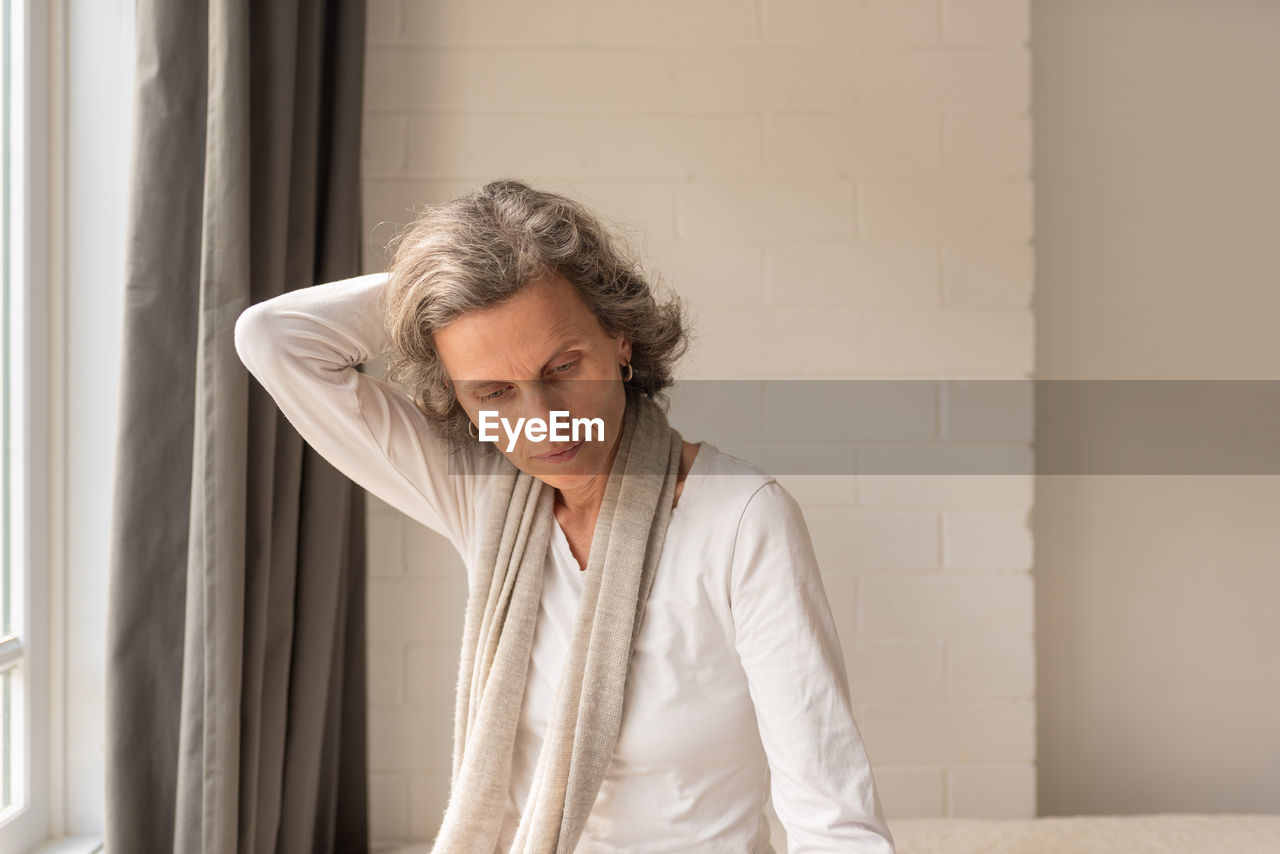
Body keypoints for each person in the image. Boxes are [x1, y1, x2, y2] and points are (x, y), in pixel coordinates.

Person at [233, 179, 895, 853]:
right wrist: (448, 287)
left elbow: (831, 815)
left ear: (621, 338)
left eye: (563, 365)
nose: (545, 420)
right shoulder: (484, 498)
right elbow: (273, 340)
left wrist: (539, 269)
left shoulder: (743, 521)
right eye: (493, 390)